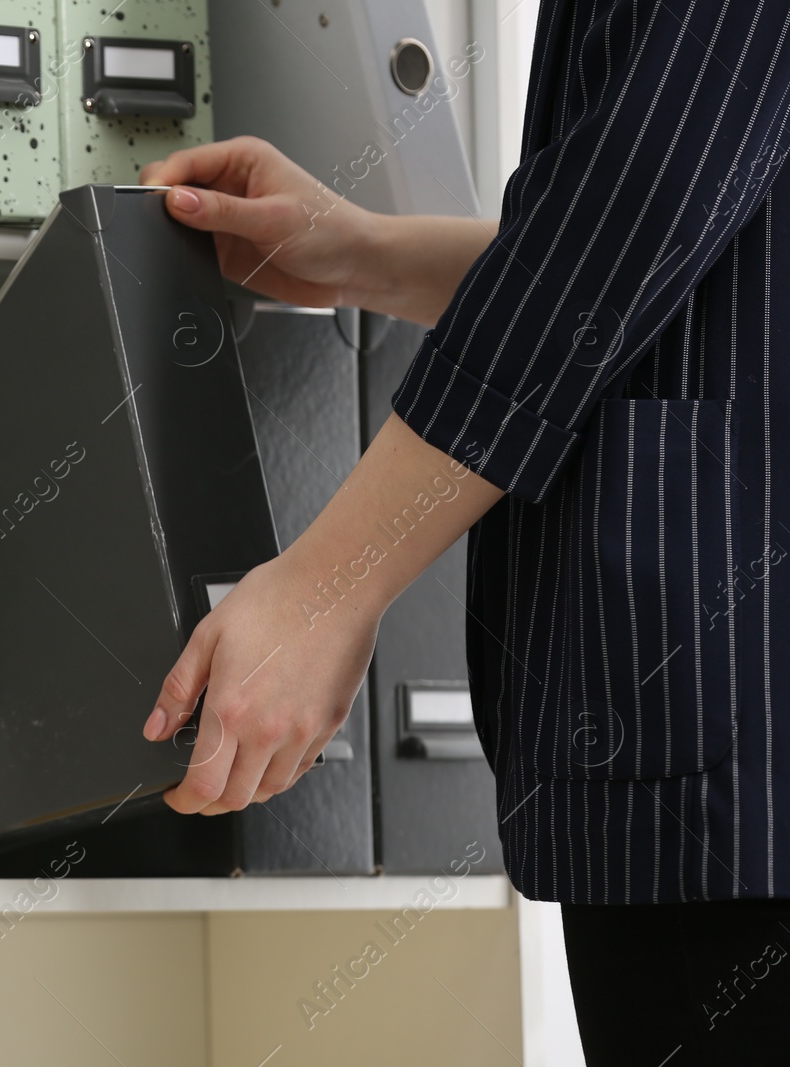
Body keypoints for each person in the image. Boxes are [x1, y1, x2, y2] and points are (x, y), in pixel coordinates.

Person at [138, 2, 790, 1062]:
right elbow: (710, 232)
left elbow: (636, 203)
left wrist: (329, 579)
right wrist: (365, 256)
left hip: (734, 753)